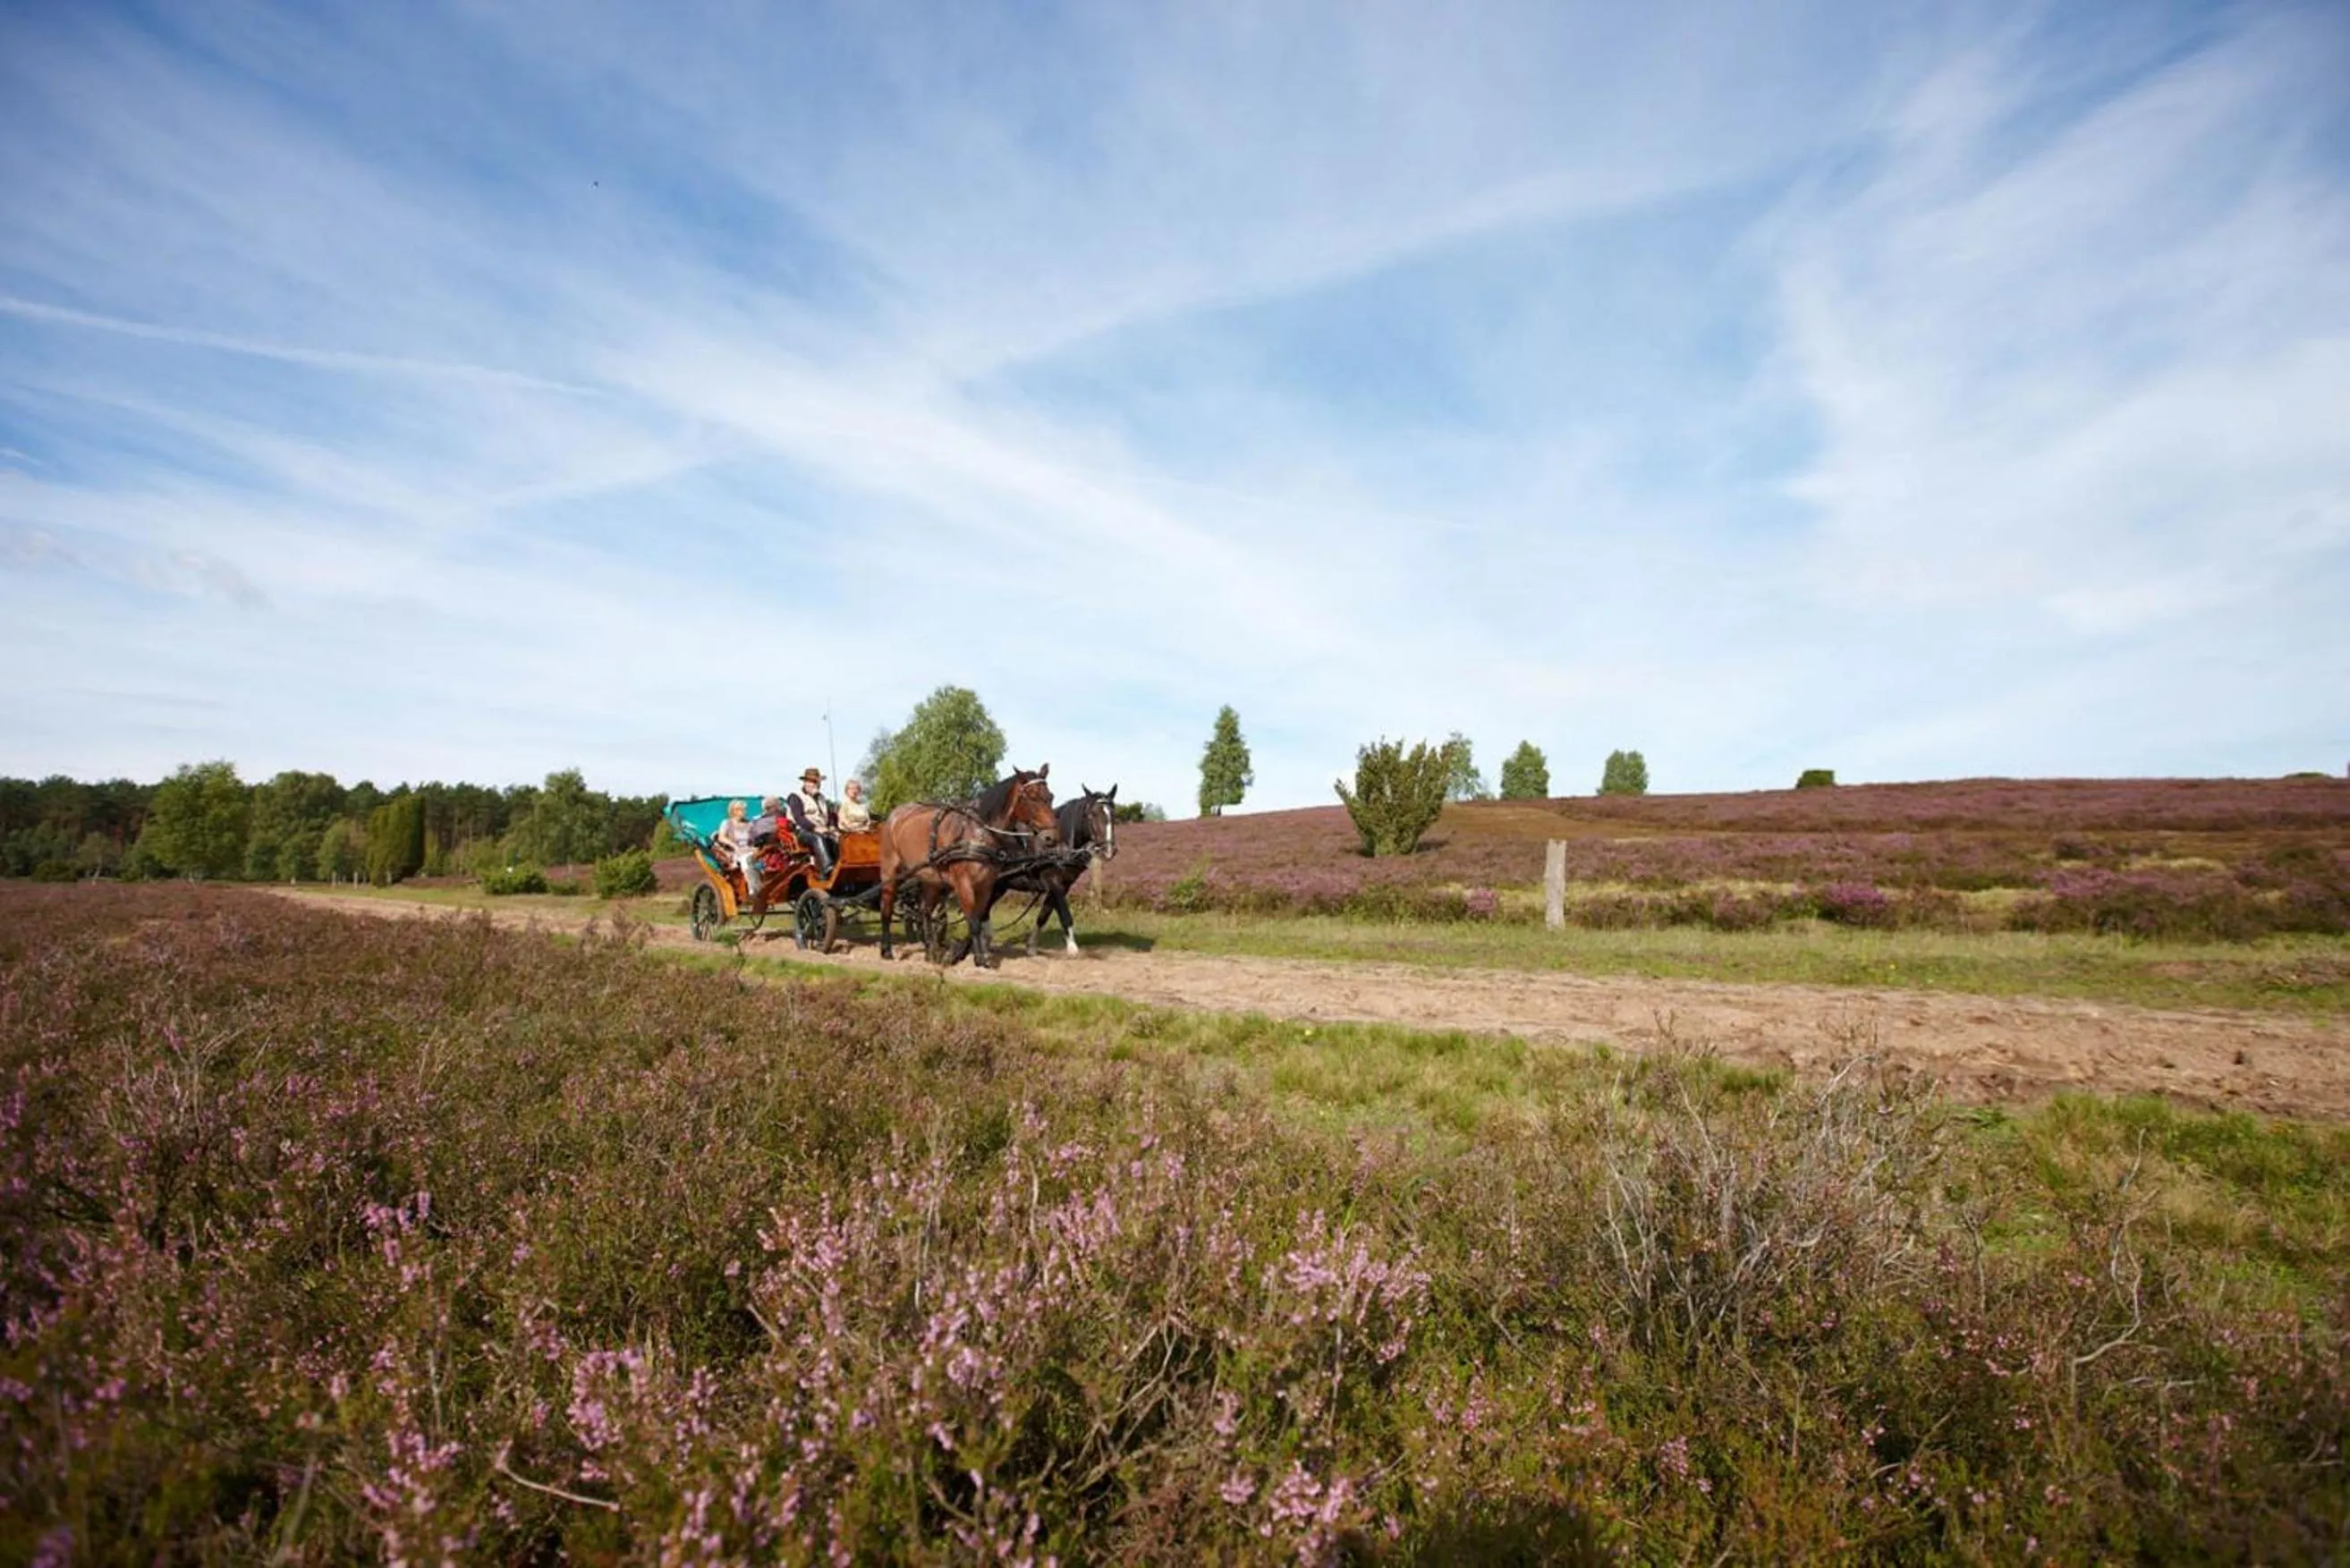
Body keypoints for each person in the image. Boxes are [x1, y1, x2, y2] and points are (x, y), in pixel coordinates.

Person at [785, 767, 837, 875]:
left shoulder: (822, 798)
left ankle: (841, 866)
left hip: (824, 829)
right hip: (803, 831)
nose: (815, 784)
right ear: (805, 782)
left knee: (840, 839)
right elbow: (798, 818)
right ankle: (827, 868)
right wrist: (815, 828)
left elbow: (831, 815)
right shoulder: (795, 796)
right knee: (817, 838)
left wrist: (832, 826)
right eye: (811, 781)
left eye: (817, 782)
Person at [715, 799, 764, 905]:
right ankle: (752, 889)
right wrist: (734, 846)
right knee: (747, 859)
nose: (744, 812)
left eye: (745, 809)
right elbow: (721, 837)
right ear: (734, 811)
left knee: (763, 857)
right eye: (742, 809)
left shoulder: (749, 824)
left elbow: (755, 838)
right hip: (735, 852)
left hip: (749, 849)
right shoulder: (727, 823)